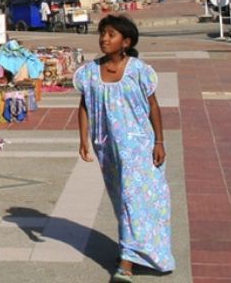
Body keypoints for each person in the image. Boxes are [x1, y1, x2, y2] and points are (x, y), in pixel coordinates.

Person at [75, 15, 174, 282]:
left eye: (111, 35)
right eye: (102, 34)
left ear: (126, 42)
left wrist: (159, 141)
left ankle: (126, 264)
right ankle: (133, 251)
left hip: (139, 147)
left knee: (138, 199)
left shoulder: (139, 71)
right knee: (121, 200)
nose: (104, 39)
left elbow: (153, 106)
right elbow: (84, 106)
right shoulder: (89, 73)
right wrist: (83, 139)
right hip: (107, 148)